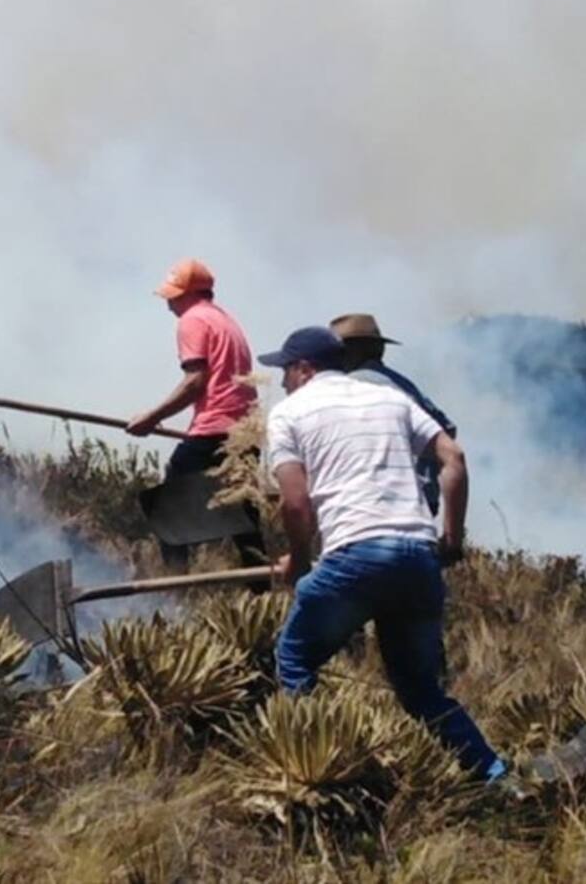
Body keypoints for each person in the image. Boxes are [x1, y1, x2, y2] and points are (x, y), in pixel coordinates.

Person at [259, 326, 507, 782]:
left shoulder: (289, 413)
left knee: (294, 660)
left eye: (285, 372)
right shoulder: (391, 399)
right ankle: (496, 777)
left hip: (353, 556)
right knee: (419, 690)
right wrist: (451, 538)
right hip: (416, 556)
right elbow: (454, 458)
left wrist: (298, 561)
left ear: (304, 369)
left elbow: (295, 503)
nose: (282, 382)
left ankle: (315, 768)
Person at [127, 258, 265, 568]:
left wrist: (151, 418)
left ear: (190, 294)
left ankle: (178, 585)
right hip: (245, 431)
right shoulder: (226, 321)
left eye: (174, 296)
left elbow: (195, 382)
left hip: (215, 428)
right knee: (243, 512)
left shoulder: (192, 321)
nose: (169, 304)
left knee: (167, 507)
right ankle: (263, 592)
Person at [329, 313, 456, 516]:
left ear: (349, 351)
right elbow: (447, 429)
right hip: (422, 500)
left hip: (379, 501)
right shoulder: (403, 384)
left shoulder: (353, 386)